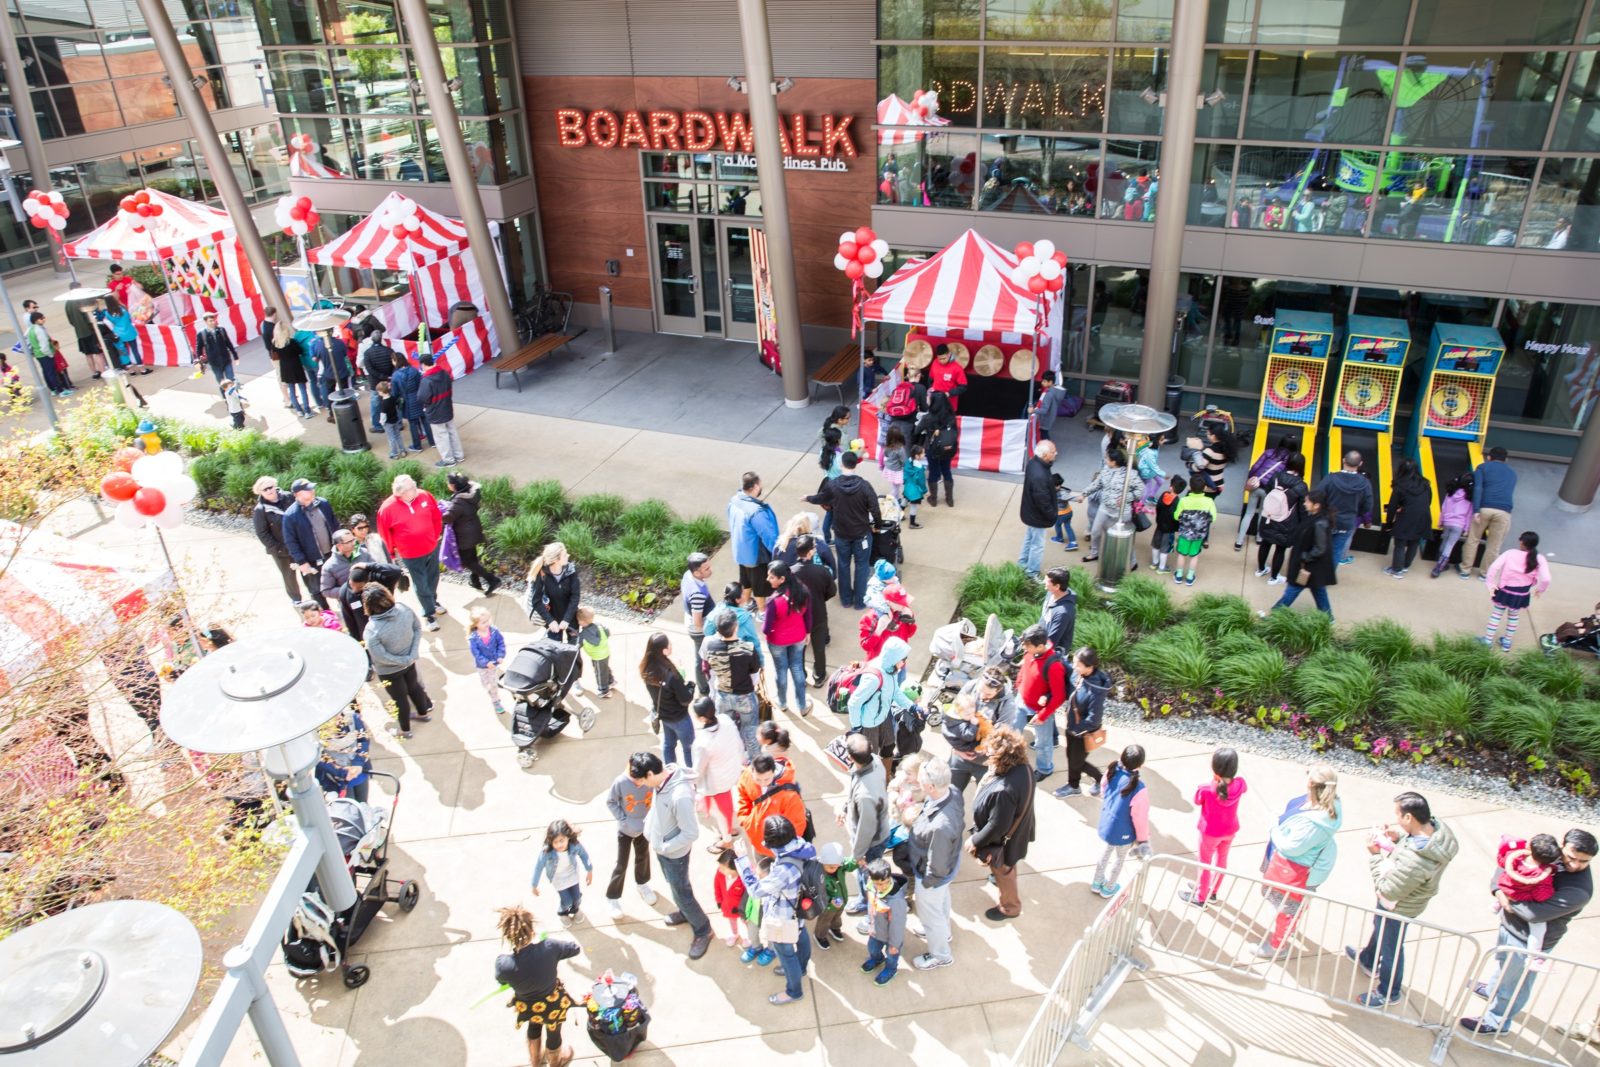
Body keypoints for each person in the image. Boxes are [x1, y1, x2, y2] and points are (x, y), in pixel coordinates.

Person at [1462, 829, 1596, 1035]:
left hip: (1529, 941)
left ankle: (1496, 1022)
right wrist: (1498, 890)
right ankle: (1491, 990)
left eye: (1583, 861)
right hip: (1510, 926)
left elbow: (1534, 914)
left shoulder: (1579, 891)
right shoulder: (1548, 852)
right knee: (1502, 966)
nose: (1575, 864)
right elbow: (1508, 863)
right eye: (1571, 857)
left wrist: (1506, 897)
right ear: (1562, 845)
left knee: (1514, 985)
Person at [1346, 791, 1457, 1006]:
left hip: (1398, 906)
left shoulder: (1417, 861)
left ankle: (1389, 992)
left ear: (1409, 817)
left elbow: (1388, 889)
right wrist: (1400, 837)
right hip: (1407, 900)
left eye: (1398, 815)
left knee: (1392, 948)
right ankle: (1368, 959)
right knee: (1381, 926)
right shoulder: (1438, 832)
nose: (1396, 819)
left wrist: (1376, 856)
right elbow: (1415, 844)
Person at [1256, 765, 1342, 957]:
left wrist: (1273, 827)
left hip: (1295, 873)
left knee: (1286, 908)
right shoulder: (1330, 805)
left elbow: (1290, 846)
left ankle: (1278, 947)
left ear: (1311, 783)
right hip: (1299, 869)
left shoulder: (1315, 823)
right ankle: (1289, 928)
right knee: (1293, 906)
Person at [733, 816, 818, 1005]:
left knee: (787, 955)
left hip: (784, 917)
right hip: (801, 910)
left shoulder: (784, 870)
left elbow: (756, 890)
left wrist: (742, 860)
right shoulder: (802, 846)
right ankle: (802, 968)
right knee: (802, 936)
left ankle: (794, 991)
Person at [639, 751, 713, 959]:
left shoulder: (679, 796)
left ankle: (703, 929)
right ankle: (685, 911)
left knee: (681, 890)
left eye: (642, 779)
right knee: (675, 886)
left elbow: (690, 833)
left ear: (651, 773)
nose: (640, 784)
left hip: (674, 854)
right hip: (664, 849)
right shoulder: (661, 782)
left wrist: (664, 847)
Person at [494, 905, 580, 1067]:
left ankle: (535, 1060)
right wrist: (551, 948)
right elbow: (575, 949)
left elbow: (501, 981)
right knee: (554, 1031)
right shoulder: (549, 947)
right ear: (531, 930)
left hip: (527, 1005)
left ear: (508, 935)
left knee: (534, 1026)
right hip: (553, 1002)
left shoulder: (503, 964)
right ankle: (555, 1062)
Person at [967, 725, 1035, 921]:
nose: (986, 752)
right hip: (1020, 833)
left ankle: (1010, 907)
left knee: (1005, 872)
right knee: (1007, 869)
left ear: (1002, 756)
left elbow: (997, 826)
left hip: (1005, 844)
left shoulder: (1004, 790)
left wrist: (975, 840)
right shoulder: (1024, 768)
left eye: (990, 751)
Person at [805, 452, 881, 611]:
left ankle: (846, 600)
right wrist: (878, 525)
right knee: (862, 566)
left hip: (841, 533)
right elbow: (875, 508)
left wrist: (807, 498)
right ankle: (860, 601)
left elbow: (821, 498)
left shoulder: (833, 485)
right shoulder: (865, 486)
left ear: (841, 465)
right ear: (856, 465)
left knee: (843, 565)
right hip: (862, 534)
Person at [908, 759, 963, 970]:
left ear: (930, 787)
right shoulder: (952, 791)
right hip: (947, 868)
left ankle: (940, 955)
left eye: (921, 781)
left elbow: (937, 866)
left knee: (931, 913)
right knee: (941, 903)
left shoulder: (941, 826)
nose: (918, 784)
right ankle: (944, 931)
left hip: (933, 875)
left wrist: (927, 883)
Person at [362, 584, 434, 740]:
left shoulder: (372, 630)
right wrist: (411, 655)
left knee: (400, 699)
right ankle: (423, 714)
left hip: (390, 671)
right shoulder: (404, 609)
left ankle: (405, 730)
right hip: (410, 662)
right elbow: (417, 628)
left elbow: (380, 656)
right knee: (415, 688)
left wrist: (402, 660)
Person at [377, 474, 446, 630]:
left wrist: (435, 536)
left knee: (433, 577)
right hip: (411, 554)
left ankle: (432, 600)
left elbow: (436, 516)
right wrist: (391, 554)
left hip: (431, 547)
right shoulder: (387, 509)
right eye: (411, 488)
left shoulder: (424, 496)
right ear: (400, 493)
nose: (416, 489)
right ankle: (429, 614)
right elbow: (384, 534)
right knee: (421, 584)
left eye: (414, 485)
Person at [1185, 748, 1246, 907]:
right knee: (1222, 860)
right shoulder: (1240, 784)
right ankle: (1212, 891)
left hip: (1210, 833)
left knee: (1204, 863)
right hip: (1230, 830)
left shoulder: (1206, 789)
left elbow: (1197, 800)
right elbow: (1241, 787)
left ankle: (1201, 897)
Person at [603, 752, 660, 921]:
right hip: (625, 830)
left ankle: (642, 884)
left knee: (643, 857)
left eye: (640, 780)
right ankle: (612, 898)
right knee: (621, 864)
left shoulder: (650, 780)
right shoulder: (620, 782)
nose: (638, 783)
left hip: (645, 828)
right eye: (635, 780)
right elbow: (611, 802)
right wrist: (623, 820)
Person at [841, 733, 893, 914]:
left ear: (850, 757)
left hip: (872, 843)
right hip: (878, 830)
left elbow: (866, 829)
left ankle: (867, 905)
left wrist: (858, 855)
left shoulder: (865, 796)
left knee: (868, 878)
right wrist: (846, 808)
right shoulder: (877, 761)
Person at [1090, 745, 1150, 898]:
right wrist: (1142, 839)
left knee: (1106, 851)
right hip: (1123, 830)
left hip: (1107, 823)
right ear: (1141, 765)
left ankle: (1097, 882)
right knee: (1119, 858)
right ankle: (1109, 887)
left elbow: (1103, 789)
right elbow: (1140, 818)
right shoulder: (1139, 788)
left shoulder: (1112, 771)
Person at [1266, 489, 1336, 618]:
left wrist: (1304, 557)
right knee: (1318, 590)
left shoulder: (1319, 523)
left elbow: (1320, 548)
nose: (1304, 504)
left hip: (1308, 566)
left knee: (1292, 590)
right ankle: (1328, 617)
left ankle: (1274, 614)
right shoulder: (1316, 518)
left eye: (1308, 502)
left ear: (1317, 505)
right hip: (1315, 569)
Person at [846, 636, 916, 764]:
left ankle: (886, 775)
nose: (904, 663)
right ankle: (874, 780)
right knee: (869, 758)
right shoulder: (874, 678)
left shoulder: (891, 669)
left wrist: (912, 707)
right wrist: (856, 728)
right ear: (894, 658)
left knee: (889, 746)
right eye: (903, 659)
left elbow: (895, 691)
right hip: (868, 724)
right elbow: (853, 703)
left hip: (883, 717)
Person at [701, 610, 761, 758]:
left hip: (722, 696)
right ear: (736, 627)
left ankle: (734, 759)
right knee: (751, 731)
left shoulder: (710, 646)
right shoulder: (747, 648)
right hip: (745, 696)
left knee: (727, 732)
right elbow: (755, 674)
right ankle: (755, 764)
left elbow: (708, 666)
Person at [1053, 645, 1109, 800]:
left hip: (1081, 732)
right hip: (1072, 727)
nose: (1074, 667)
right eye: (1074, 662)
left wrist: (1076, 729)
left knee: (1077, 761)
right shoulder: (1079, 675)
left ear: (1090, 667)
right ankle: (1075, 784)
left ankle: (1097, 780)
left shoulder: (1095, 692)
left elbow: (1093, 719)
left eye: (1078, 665)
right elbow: (1068, 672)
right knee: (1072, 757)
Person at [1492, 834, 1562, 954]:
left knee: (1508, 891)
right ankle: (1534, 955)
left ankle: (1497, 904)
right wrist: (1551, 892)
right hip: (1520, 896)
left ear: (1529, 847)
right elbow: (1540, 896)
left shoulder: (1514, 858)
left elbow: (1501, 861)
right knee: (1539, 929)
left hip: (1506, 888)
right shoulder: (1542, 875)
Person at [1482, 531, 1551, 652]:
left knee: (1497, 614)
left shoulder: (1510, 553)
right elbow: (1546, 578)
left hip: (1505, 590)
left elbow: (1493, 567)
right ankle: (1506, 643)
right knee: (1513, 617)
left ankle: (1487, 641)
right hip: (1522, 593)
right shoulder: (1539, 558)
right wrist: (1540, 590)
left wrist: (1490, 583)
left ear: (1522, 542)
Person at [1017, 624, 1069, 783]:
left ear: (1040, 646)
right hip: (1021, 701)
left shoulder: (1054, 666)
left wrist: (1043, 715)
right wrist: (1018, 685)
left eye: (1028, 645)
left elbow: (1059, 696)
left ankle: (1045, 768)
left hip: (1040, 710)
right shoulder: (1030, 651)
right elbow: (1023, 670)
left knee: (1043, 743)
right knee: (1012, 732)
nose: (1024, 648)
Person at [689, 696, 743, 851]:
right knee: (726, 808)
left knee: (720, 813)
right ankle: (729, 829)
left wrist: (691, 782)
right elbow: (738, 742)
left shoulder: (702, 743)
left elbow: (698, 770)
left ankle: (726, 840)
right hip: (733, 771)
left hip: (717, 782)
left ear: (701, 718)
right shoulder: (726, 720)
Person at [1460, 446, 1518, 579]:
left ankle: (1465, 570)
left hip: (1484, 507)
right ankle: (1485, 574)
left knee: (1473, 539)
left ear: (1489, 457)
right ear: (1506, 459)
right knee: (1494, 545)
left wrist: (1476, 509)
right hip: (1504, 511)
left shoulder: (1483, 468)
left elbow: (1478, 487)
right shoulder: (1512, 473)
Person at [763, 561, 812, 716]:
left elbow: (766, 628)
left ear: (782, 579)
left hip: (777, 641)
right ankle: (802, 705)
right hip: (798, 637)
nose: (768, 579)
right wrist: (808, 633)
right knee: (797, 668)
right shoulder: (803, 591)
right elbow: (808, 615)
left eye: (771, 577)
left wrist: (769, 634)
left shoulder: (773, 601)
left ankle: (782, 702)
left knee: (781, 670)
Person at [736, 753, 809, 857]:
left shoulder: (790, 796)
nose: (762, 783)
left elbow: (796, 826)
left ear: (774, 772)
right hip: (756, 842)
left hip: (777, 851)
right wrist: (745, 819)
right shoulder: (747, 776)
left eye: (767, 779)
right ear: (751, 771)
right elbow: (743, 795)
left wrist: (781, 849)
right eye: (758, 779)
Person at [281, 478, 339, 609]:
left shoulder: (323, 503)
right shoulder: (290, 516)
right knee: (316, 590)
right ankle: (326, 615)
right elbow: (291, 542)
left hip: (332, 554)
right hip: (312, 561)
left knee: (339, 583)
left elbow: (335, 525)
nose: (312, 491)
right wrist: (302, 562)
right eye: (308, 489)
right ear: (298, 494)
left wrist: (340, 544)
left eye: (312, 488)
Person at [727, 472, 779, 610]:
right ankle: (762, 611)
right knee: (760, 585)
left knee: (745, 580)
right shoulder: (756, 512)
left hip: (740, 550)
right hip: (755, 554)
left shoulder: (734, 501)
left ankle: (747, 603)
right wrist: (777, 552)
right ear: (755, 486)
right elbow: (769, 536)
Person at [641, 632, 694, 766]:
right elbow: (685, 699)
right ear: (663, 651)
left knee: (669, 745)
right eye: (669, 645)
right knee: (689, 748)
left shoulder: (646, 669)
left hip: (664, 716)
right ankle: (692, 776)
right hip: (680, 718)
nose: (671, 647)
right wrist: (690, 686)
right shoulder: (670, 675)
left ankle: (670, 774)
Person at [790, 535, 836, 688]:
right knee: (819, 648)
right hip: (818, 614)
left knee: (799, 650)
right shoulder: (821, 571)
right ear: (810, 553)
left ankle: (800, 677)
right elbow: (831, 592)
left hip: (797, 618)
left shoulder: (790, 573)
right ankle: (819, 675)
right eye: (814, 547)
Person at [1238, 434, 1298, 549]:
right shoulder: (1289, 460)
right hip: (1269, 489)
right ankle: (1259, 538)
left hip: (1256, 486)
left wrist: (1251, 479)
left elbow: (1255, 467)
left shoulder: (1269, 452)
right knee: (1263, 513)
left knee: (1249, 513)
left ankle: (1239, 541)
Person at [1255, 454, 1308, 585]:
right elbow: (1303, 509)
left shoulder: (1276, 476)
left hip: (1269, 516)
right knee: (1280, 549)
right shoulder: (1301, 485)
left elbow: (1268, 491)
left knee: (1265, 543)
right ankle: (1274, 577)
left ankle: (1260, 569)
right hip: (1287, 521)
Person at [1315, 450, 1373, 566]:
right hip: (1348, 521)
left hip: (1327, 519)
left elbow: (1317, 496)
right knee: (1337, 551)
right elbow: (1368, 505)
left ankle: (1316, 572)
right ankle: (1328, 577)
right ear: (1360, 463)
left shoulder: (1330, 478)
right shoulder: (1365, 483)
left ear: (1343, 460)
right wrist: (1356, 513)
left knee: (1320, 547)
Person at [442, 472, 498, 593]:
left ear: (453, 485)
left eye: (448, 483)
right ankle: (475, 580)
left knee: (466, 561)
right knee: (472, 558)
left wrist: (437, 512)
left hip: (464, 536)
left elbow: (448, 517)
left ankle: (492, 580)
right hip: (473, 530)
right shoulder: (471, 494)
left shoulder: (459, 501)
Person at [251, 476, 304, 604]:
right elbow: (262, 533)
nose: (269, 491)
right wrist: (279, 549)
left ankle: (316, 595)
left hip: (299, 544)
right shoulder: (260, 510)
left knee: (307, 571)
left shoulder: (289, 497)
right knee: (289, 576)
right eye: (265, 489)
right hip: (282, 550)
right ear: (260, 492)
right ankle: (296, 599)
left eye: (270, 487)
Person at [530, 818, 593, 924]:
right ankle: (562, 912)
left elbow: (584, 855)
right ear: (550, 842)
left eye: (562, 840)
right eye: (555, 842)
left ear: (568, 837)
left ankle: (575, 909)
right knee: (567, 901)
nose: (559, 845)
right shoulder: (546, 852)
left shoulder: (575, 845)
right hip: (558, 878)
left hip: (572, 875)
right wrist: (534, 885)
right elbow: (538, 867)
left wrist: (589, 870)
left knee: (577, 898)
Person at [1078, 448, 1135, 563]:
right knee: (1095, 532)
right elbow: (1097, 484)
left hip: (1121, 511)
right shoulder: (1106, 470)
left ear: (1113, 462)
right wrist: (1084, 494)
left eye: (1107, 458)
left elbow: (1138, 491)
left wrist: (1127, 498)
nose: (1105, 460)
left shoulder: (1129, 474)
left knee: (1124, 537)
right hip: (1105, 508)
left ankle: (1132, 561)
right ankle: (1095, 553)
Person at [859, 857, 909, 985]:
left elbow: (897, 926)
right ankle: (877, 959)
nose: (882, 886)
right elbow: (867, 878)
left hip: (890, 937)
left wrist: (894, 945)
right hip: (876, 930)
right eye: (878, 884)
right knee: (872, 949)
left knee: (892, 956)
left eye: (885, 883)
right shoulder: (872, 885)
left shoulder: (896, 901)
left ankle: (891, 969)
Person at [1382, 458, 1433, 579]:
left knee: (1400, 542)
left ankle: (1396, 569)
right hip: (1423, 516)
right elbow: (1428, 501)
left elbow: (1392, 506)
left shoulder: (1399, 485)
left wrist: (1389, 522)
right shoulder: (1425, 484)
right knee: (1414, 541)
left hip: (1406, 516)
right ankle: (1405, 565)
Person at [1018, 440, 1057, 578]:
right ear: (1045, 455)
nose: (1056, 453)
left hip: (1030, 512)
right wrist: (1052, 515)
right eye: (1053, 452)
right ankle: (1032, 573)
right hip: (1037, 515)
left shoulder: (1033, 463)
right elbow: (1043, 501)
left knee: (1029, 539)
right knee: (1037, 545)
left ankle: (1022, 564)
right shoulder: (1040, 475)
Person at [1171, 473, 1219, 586]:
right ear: (1205, 488)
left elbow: (1176, 516)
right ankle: (1189, 577)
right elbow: (1213, 517)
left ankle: (1178, 576)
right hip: (1199, 535)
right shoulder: (1209, 502)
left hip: (1184, 534)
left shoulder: (1183, 501)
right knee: (1194, 555)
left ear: (1190, 488)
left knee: (1182, 554)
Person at [416, 352, 462, 467]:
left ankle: (448, 460)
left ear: (423, 364)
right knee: (452, 432)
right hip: (447, 407)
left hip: (435, 411)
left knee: (441, 436)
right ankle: (458, 455)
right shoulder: (444, 373)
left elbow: (421, 397)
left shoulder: (426, 380)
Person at [314, 709, 371, 802]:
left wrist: (358, 763)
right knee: (348, 808)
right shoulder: (316, 731)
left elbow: (364, 740)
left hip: (359, 771)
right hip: (336, 778)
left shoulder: (352, 717)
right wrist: (341, 771)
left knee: (363, 803)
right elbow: (317, 757)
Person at [338, 561, 404, 640]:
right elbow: (349, 620)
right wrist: (357, 640)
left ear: (367, 582)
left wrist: (368, 565)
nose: (354, 590)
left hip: (390, 630)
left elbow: (396, 570)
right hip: (369, 637)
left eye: (359, 588)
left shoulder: (379, 582)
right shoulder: (344, 592)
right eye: (352, 585)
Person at [915, 391, 958, 509]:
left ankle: (933, 499)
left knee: (933, 472)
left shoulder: (928, 417)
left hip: (932, 448)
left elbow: (917, 431)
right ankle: (949, 499)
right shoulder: (951, 417)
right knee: (947, 471)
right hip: (947, 448)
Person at [942, 692, 990, 794]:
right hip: (963, 747)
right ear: (958, 712)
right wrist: (973, 725)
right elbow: (968, 736)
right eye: (968, 714)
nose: (972, 716)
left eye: (973, 713)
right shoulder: (959, 724)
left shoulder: (952, 715)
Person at [1431, 472, 1474, 578]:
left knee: (1444, 541)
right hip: (1459, 525)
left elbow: (1444, 508)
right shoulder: (1469, 498)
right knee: (1450, 545)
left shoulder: (1450, 493)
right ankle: (1439, 567)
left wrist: (1441, 521)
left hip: (1447, 522)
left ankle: (1440, 560)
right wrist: (1466, 528)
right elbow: (1469, 515)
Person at [267, 312, 312, 417]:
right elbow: (299, 351)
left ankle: (299, 410)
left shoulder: (275, 343)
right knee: (303, 389)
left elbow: (275, 356)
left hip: (285, 368)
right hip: (296, 366)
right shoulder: (291, 341)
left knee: (292, 390)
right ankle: (307, 411)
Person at [814, 841, 856, 949]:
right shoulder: (818, 875)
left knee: (837, 916)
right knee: (825, 920)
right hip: (827, 905)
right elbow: (817, 893)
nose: (835, 869)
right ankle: (820, 935)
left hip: (840, 900)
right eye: (831, 867)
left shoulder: (838, 865)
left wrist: (857, 860)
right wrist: (829, 900)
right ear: (823, 862)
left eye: (837, 866)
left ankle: (835, 928)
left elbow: (849, 863)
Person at [468, 606, 507, 715]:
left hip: (493, 664)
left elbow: (501, 643)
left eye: (488, 620)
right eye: (483, 622)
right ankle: (491, 691)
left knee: (493, 683)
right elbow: (476, 653)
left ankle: (496, 701)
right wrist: (486, 662)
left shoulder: (494, 631)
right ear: (476, 624)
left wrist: (500, 655)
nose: (487, 623)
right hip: (482, 666)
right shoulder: (473, 638)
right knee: (486, 684)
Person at [360, 327, 397, 432]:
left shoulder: (367, 353)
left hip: (375, 382)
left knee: (375, 403)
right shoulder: (389, 351)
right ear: (381, 339)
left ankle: (377, 425)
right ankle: (397, 423)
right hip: (388, 380)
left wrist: (381, 377)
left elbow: (369, 369)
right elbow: (394, 365)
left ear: (372, 339)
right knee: (392, 401)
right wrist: (387, 377)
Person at [25, 311, 69, 396]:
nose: (44, 319)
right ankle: (60, 391)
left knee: (46, 372)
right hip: (45, 354)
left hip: (38, 354)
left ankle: (52, 389)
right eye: (41, 318)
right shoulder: (39, 330)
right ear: (36, 320)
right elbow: (44, 345)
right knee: (52, 373)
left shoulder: (31, 329)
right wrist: (50, 354)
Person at [713, 849, 750, 949]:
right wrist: (719, 900)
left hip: (742, 909)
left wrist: (742, 908)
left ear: (735, 869)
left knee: (746, 922)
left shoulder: (743, 880)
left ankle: (748, 937)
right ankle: (735, 934)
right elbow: (717, 887)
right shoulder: (720, 874)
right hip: (728, 907)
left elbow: (747, 896)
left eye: (723, 868)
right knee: (732, 921)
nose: (720, 869)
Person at [390, 356, 428, 452]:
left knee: (413, 424)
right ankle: (432, 441)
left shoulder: (395, 375)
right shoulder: (414, 370)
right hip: (419, 398)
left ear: (396, 361)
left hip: (408, 401)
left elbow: (395, 392)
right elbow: (421, 383)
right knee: (424, 420)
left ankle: (417, 446)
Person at [1186, 426, 1236, 498]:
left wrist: (1189, 465)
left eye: (1208, 434)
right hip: (1219, 484)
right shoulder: (1227, 449)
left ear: (1214, 436)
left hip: (1206, 485)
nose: (1207, 435)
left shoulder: (1210, 451)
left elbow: (1199, 467)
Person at [575, 606, 613, 698]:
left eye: (578, 621)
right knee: (604, 669)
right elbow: (608, 632)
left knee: (600, 673)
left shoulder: (584, 634)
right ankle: (611, 681)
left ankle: (604, 691)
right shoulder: (599, 625)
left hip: (597, 657)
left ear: (582, 622)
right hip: (605, 652)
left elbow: (578, 645)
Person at [194, 312, 239, 385]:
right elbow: (199, 349)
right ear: (205, 322)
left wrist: (235, 355)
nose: (213, 322)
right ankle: (225, 395)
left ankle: (234, 395)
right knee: (221, 382)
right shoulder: (201, 334)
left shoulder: (221, 330)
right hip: (214, 362)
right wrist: (199, 362)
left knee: (231, 379)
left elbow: (228, 343)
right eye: (210, 321)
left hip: (226, 359)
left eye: (213, 320)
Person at [924, 343, 968, 413]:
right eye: (939, 359)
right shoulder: (935, 362)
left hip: (949, 403)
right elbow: (930, 379)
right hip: (935, 402)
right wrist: (931, 390)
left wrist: (949, 393)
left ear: (949, 354)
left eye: (944, 358)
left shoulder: (957, 368)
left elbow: (963, 386)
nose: (941, 361)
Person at [1032, 370, 1068, 445]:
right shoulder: (1055, 391)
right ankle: (1049, 451)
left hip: (1045, 419)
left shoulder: (1049, 394)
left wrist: (1033, 410)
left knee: (1044, 437)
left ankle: (1049, 452)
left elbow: (1044, 410)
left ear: (1050, 382)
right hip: (1050, 417)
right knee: (1045, 435)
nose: (1042, 383)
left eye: (1044, 381)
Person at [373, 380, 404, 458]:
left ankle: (394, 454)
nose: (378, 393)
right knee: (398, 436)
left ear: (382, 391)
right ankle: (402, 450)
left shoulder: (384, 403)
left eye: (379, 391)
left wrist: (382, 422)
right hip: (395, 420)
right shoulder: (392, 398)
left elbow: (383, 415)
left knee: (391, 438)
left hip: (388, 423)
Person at [1051, 474, 1079, 550]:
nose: (1058, 487)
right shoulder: (1063, 491)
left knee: (1057, 525)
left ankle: (1059, 538)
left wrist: (1078, 499)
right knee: (1068, 526)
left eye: (1058, 485)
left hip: (1061, 514)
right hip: (1069, 512)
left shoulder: (1060, 494)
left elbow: (1071, 498)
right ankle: (1073, 542)